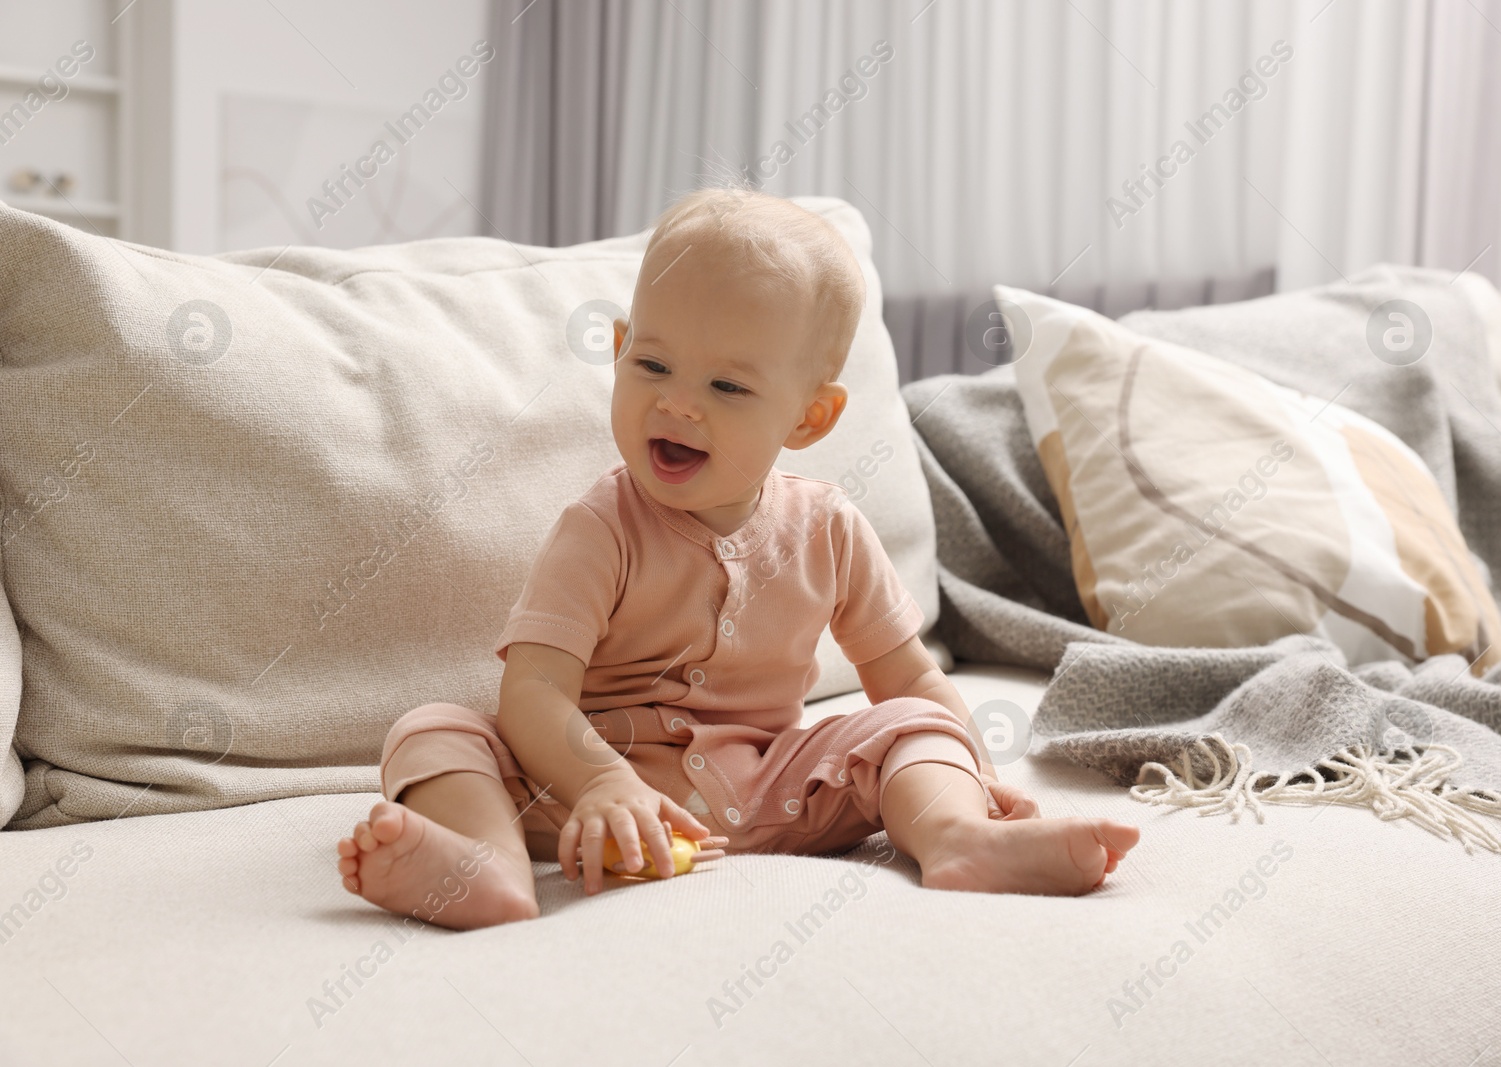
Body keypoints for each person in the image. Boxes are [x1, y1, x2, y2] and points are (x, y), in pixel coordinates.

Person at [335, 187, 1140, 929]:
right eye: (651, 364)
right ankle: (490, 870)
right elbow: (535, 692)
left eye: (727, 386)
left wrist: (970, 766)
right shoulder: (601, 525)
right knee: (433, 731)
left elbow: (911, 680)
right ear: (618, 352)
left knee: (915, 725)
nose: (676, 401)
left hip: (773, 786)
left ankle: (958, 838)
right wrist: (604, 783)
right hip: (592, 793)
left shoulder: (828, 526)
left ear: (810, 418)